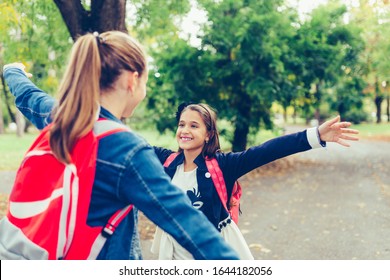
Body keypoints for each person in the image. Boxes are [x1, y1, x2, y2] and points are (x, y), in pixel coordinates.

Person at [3, 56, 359, 260]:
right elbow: (41, 105)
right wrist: (15, 75)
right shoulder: (160, 160)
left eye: (194, 126)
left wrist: (315, 136)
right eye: (181, 124)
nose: (185, 130)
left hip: (211, 243)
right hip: (171, 249)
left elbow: (269, 150)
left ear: (208, 134)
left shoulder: (224, 165)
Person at [0, 31, 240, 260]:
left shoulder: (63, 118)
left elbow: (28, 96)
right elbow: (186, 221)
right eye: (145, 81)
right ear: (132, 80)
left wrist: (12, 71)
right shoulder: (126, 150)